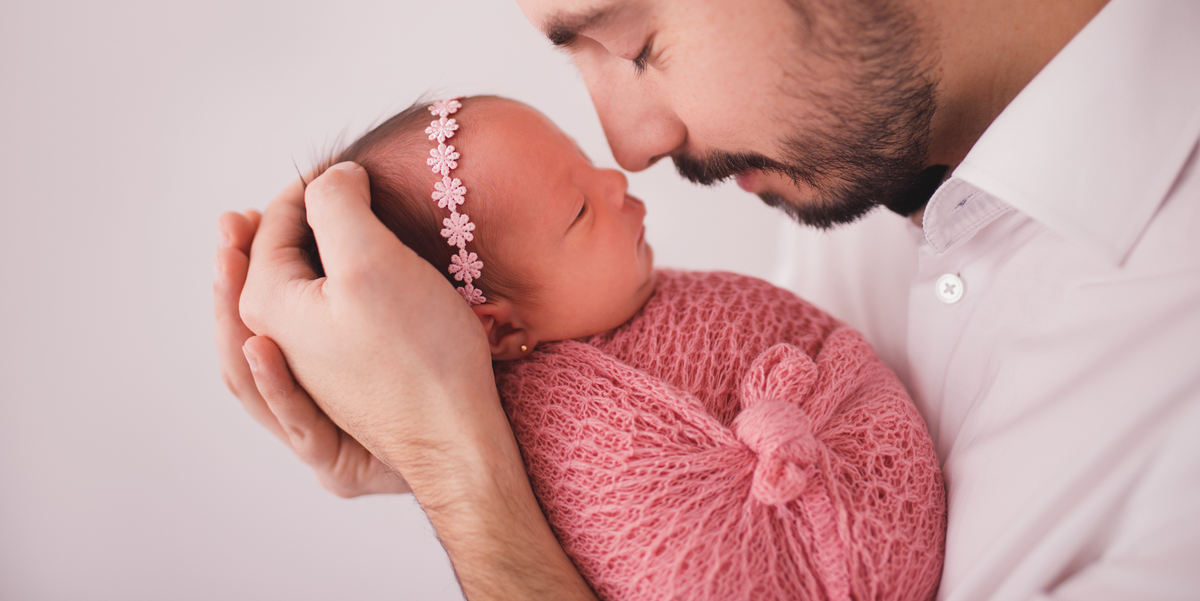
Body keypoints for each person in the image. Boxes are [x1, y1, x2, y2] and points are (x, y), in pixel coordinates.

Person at [212, 0, 1200, 598]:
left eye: (639, 46)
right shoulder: (859, 201)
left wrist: (461, 472)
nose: (632, 146)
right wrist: (497, 447)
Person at [290, 93, 946, 600]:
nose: (615, 181)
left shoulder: (704, 293)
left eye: (586, 161)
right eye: (578, 213)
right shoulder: (555, 442)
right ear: (497, 328)